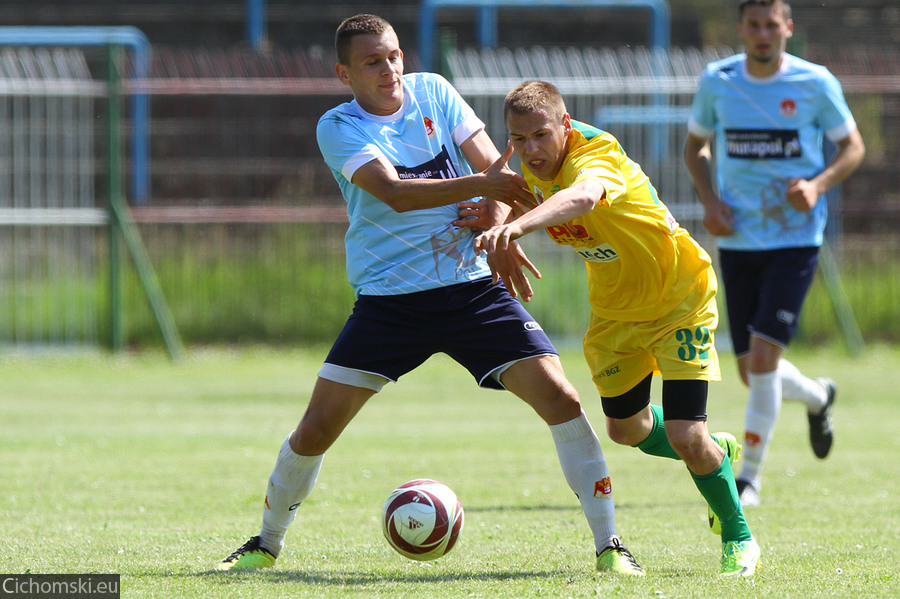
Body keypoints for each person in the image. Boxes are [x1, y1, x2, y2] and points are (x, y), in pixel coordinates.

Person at [217, 14, 644, 576]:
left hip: (471, 292)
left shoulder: (434, 91)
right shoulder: (338, 125)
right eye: (373, 61)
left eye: (394, 55)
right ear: (344, 72)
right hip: (390, 301)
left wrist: (497, 215)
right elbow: (394, 193)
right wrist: (485, 188)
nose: (391, 68)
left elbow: (496, 163)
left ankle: (610, 546)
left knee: (563, 400)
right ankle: (265, 543)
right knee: (317, 428)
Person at [474, 80, 760, 577]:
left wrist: (517, 228)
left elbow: (584, 197)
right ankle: (719, 455)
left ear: (565, 125)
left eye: (541, 135)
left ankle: (739, 537)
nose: (530, 150)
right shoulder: (525, 160)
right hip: (614, 314)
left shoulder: (596, 153)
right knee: (626, 430)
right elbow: (503, 187)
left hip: (679, 300)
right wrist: (495, 219)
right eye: (518, 140)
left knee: (686, 433)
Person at [683, 0, 865, 508]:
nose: (763, 34)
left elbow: (853, 147)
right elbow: (695, 147)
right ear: (742, 29)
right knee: (752, 372)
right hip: (738, 240)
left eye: (772, 25)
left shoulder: (815, 82)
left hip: (795, 239)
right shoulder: (719, 81)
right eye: (754, 25)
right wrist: (710, 202)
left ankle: (749, 479)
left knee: (762, 359)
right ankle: (818, 395)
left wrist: (819, 184)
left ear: (788, 28)